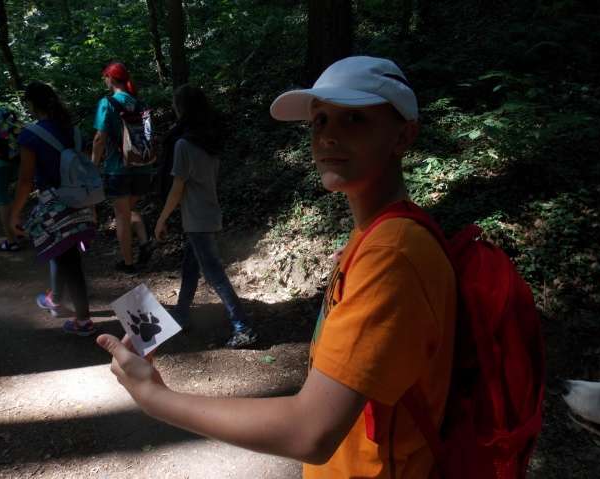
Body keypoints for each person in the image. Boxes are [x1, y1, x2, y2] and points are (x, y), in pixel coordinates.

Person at [97, 56, 457, 478]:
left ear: (404, 135)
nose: (328, 136)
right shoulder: (374, 237)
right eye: (319, 120)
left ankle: (237, 321)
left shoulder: (391, 253)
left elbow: (310, 431)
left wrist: (154, 397)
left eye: (354, 118)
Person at [154, 84, 256, 348]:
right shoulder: (210, 142)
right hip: (208, 212)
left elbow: (177, 188)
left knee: (214, 274)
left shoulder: (183, 144)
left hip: (196, 218)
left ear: (182, 109)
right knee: (190, 268)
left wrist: (162, 218)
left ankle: (243, 326)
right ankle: (181, 315)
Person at [10, 81, 95, 336]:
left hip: (55, 205)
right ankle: (55, 300)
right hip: (81, 200)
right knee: (61, 250)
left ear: (31, 104)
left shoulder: (31, 135)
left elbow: (25, 180)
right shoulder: (73, 130)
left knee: (70, 260)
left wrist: (15, 213)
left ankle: (83, 322)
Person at [92, 62, 153, 274]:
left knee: (121, 216)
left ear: (110, 78)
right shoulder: (141, 103)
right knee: (127, 209)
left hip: (118, 168)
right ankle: (144, 241)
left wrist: (93, 166)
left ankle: (128, 264)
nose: (104, 81)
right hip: (142, 167)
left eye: (104, 77)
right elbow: (148, 134)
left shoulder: (107, 103)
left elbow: (99, 138)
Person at [0, 107, 21, 251]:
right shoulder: (3, 110)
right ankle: (19, 232)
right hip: (14, 158)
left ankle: (11, 241)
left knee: (2, 199)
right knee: (12, 196)